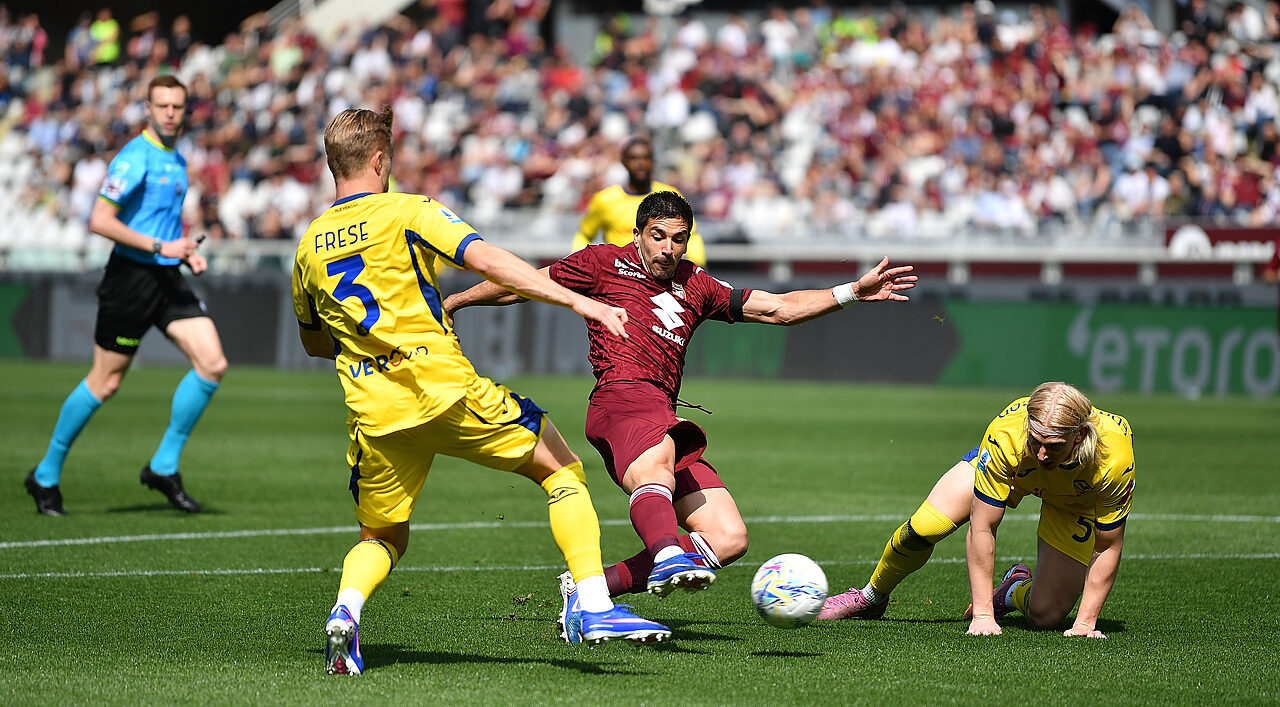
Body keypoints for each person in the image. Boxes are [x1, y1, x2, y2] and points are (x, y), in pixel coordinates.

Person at [293, 107, 670, 676]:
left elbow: (316, 344)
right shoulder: (411, 211)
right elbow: (485, 258)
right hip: (444, 389)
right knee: (561, 471)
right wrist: (579, 300)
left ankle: (347, 611)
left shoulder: (308, 247)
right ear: (379, 159)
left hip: (376, 411)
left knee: (383, 535)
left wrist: (371, 343)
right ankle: (594, 603)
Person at [444, 190, 916, 641]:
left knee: (727, 538)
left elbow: (778, 310)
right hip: (622, 397)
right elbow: (524, 284)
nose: (668, 248)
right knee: (659, 468)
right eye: (658, 236)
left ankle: (590, 591)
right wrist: (454, 303)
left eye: (678, 238)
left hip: (660, 414)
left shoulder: (698, 284)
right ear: (637, 234)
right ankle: (667, 553)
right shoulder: (602, 262)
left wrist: (852, 290)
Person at [24, 75, 222, 516]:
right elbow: (99, 220)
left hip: (167, 276)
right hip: (131, 280)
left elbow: (159, 226)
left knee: (212, 363)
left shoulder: (177, 159)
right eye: (162, 105)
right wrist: (159, 247)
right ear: (147, 109)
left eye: (177, 106)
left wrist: (182, 252)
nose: (170, 113)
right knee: (106, 382)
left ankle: (163, 466)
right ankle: (45, 474)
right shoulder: (135, 158)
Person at [818, 381, 1134, 640]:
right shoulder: (1006, 435)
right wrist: (983, 615)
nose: (1041, 454)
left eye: (1052, 445)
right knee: (924, 529)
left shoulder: (1113, 456)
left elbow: (1108, 544)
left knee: (1046, 616)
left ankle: (1013, 591)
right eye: (1035, 441)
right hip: (1010, 470)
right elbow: (983, 526)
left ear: (1078, 436)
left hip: (1074, 500)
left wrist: (1084, 624)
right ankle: (869, 598)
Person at [572, 135, 708, 266]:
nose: (641, 163)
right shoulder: (605, 200)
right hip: (619, 276)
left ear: (653, 161)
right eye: (634, 158)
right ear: (624, 162)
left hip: (658, 274)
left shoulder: (669, 196)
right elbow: (584, 235)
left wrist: (697, 263)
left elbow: (691, 235)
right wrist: (580, 263)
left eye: (646, 158)